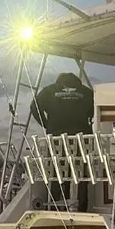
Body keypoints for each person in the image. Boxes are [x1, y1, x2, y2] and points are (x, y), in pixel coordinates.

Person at [30, 72, 93, 211]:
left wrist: (46, 124)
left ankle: (56, 208)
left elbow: (34, 107)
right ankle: (82, 209)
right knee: (80, 175)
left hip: (56, 138)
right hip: (81, 139)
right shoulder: (86, 92)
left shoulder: (49, 90)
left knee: (57, 174)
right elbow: (93, 112)